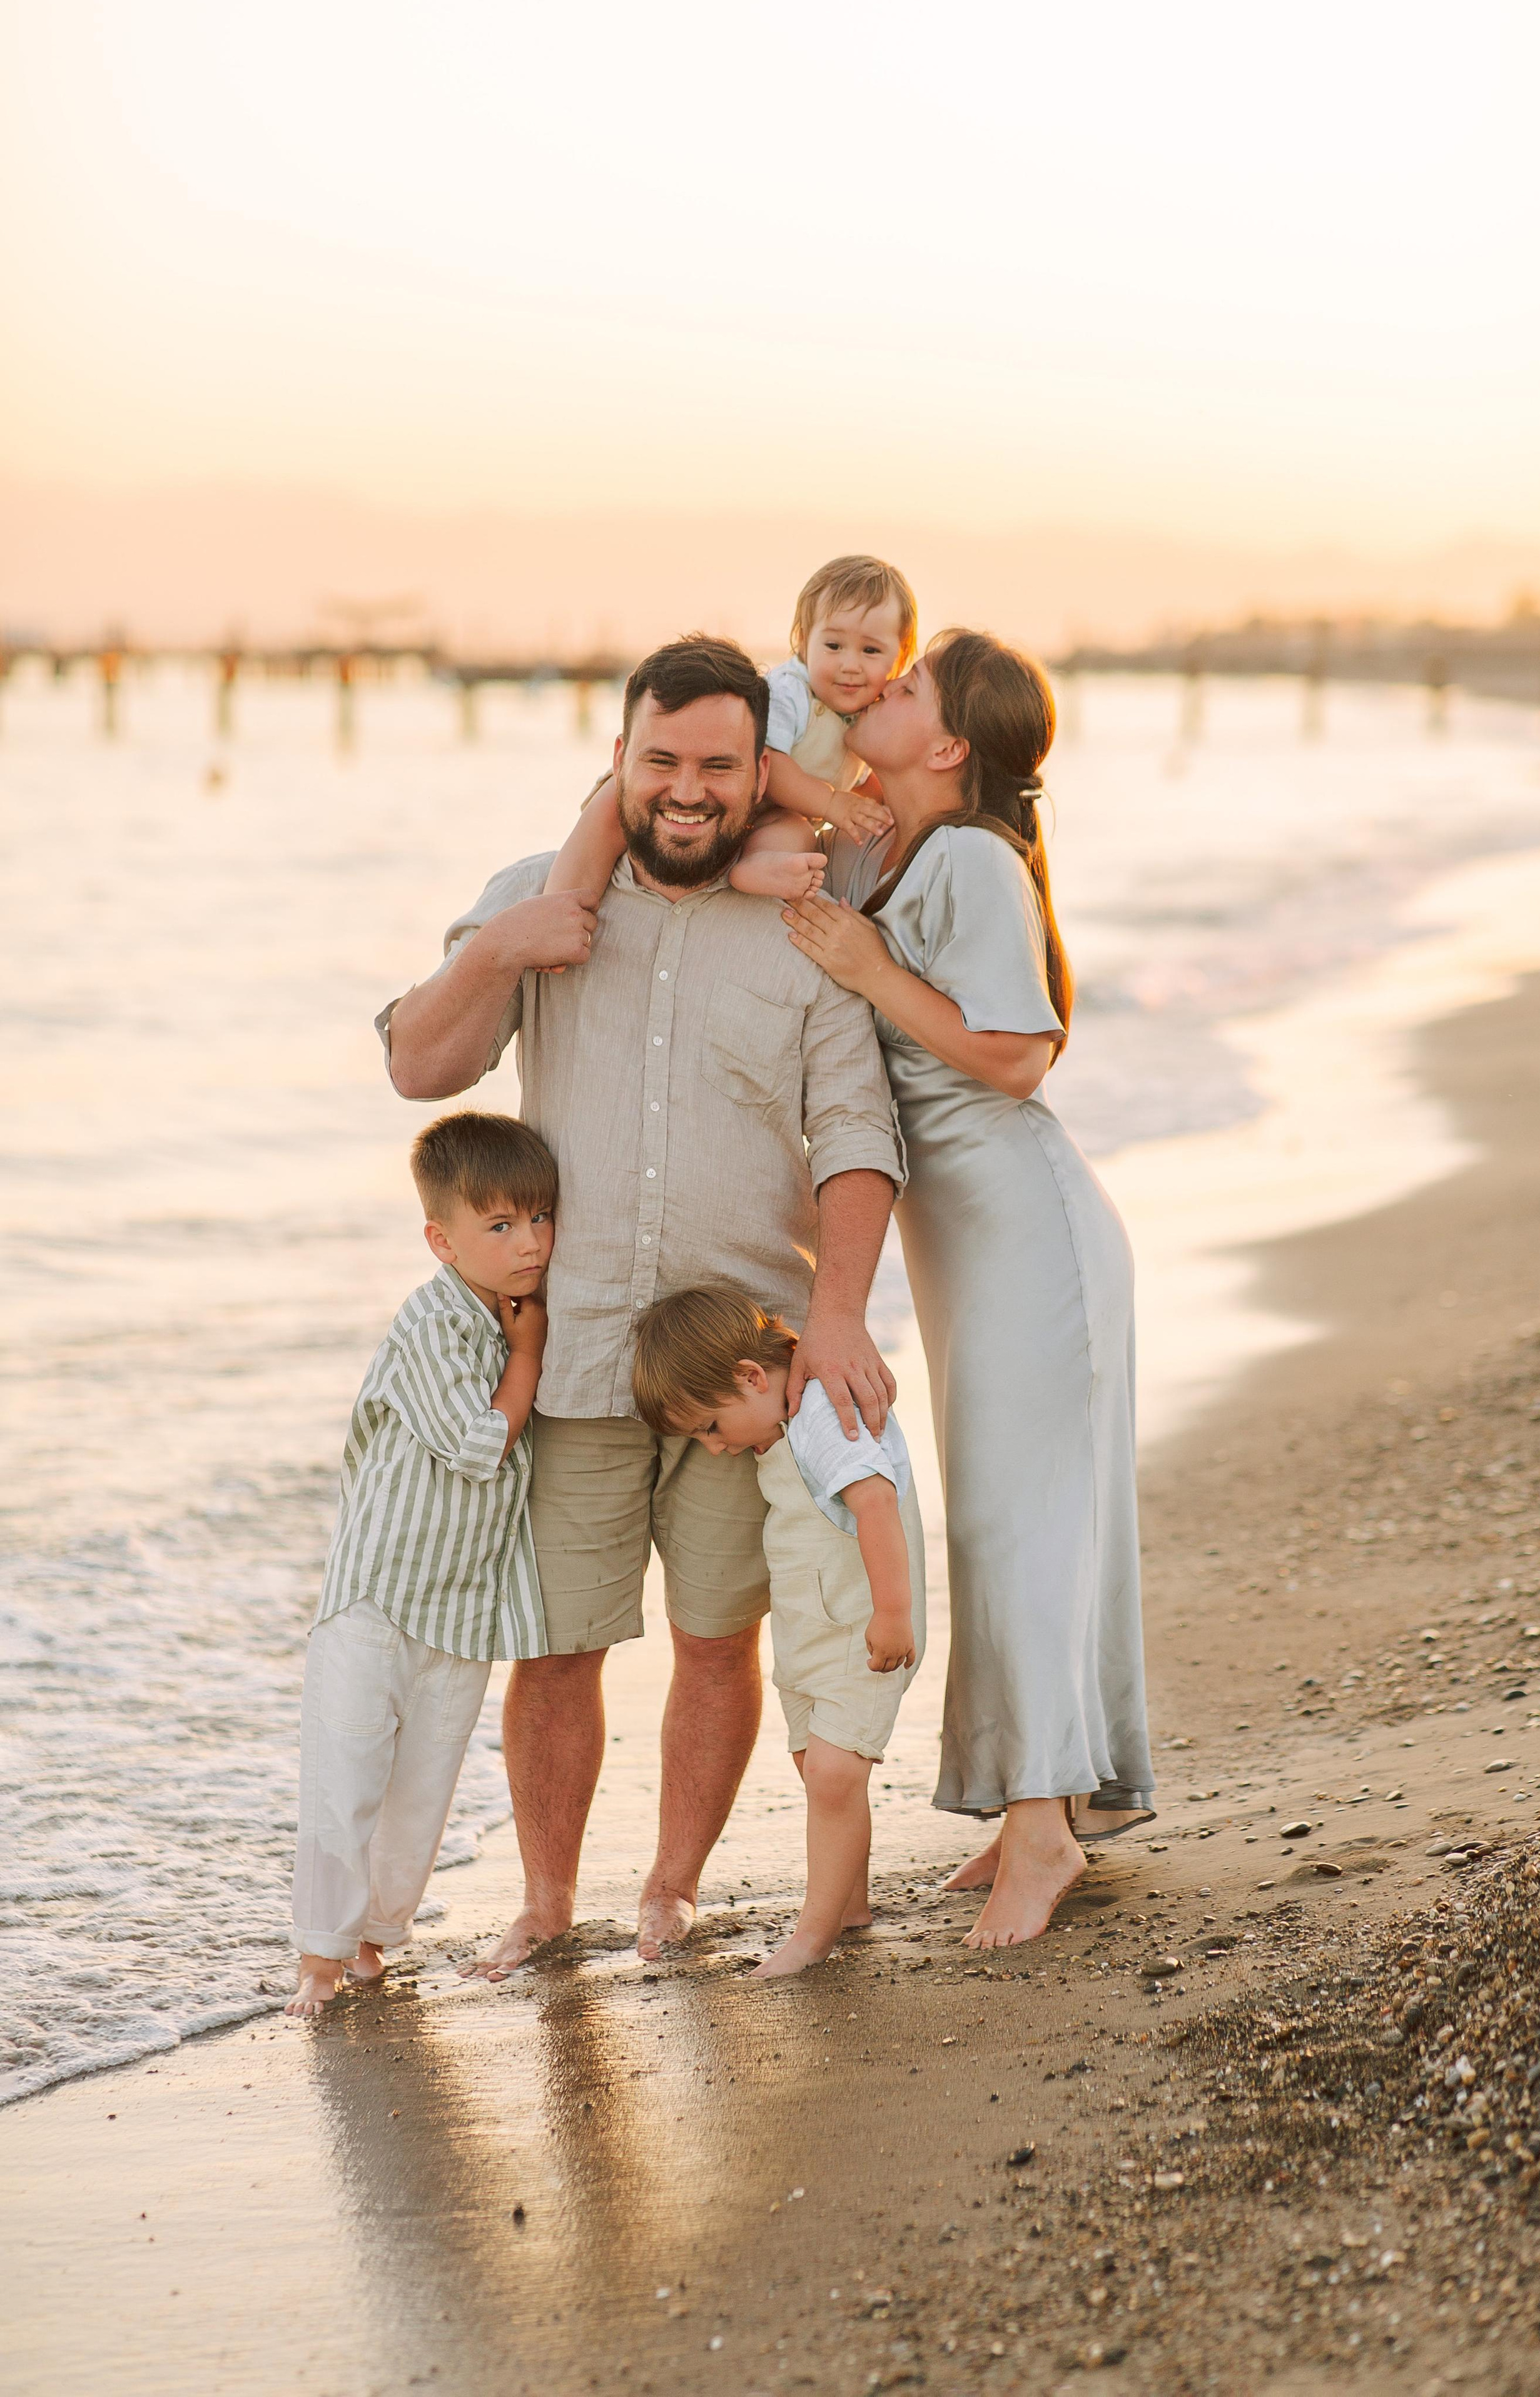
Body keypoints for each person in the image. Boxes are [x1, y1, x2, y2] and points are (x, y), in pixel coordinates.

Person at [380, 633, 904, 1971]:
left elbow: (854, 1136)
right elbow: (417, 1064)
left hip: (738, 1363)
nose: (688, 788)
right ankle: (549, 1903)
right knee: (555, 1648)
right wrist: (504, 947)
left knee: (716, 1637)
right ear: (615, 761)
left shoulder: (806, 917)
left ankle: (668, 1889)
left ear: (756, 772)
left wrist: (837, 1315)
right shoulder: (540, 897)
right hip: (575, 1349)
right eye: (660, 760)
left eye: (718, 766)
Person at [783, 629, 1155, 1951]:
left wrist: (871, 973)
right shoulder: (917, 850)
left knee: (1019, 1524)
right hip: (977, 1237)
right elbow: (786, 749)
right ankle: (1037, 1805)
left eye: (909, 687)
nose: (879, 689)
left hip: (1024, 1231)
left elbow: (1017, 1053)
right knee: (1015, 1514)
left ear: (950, 747)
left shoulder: (976, 861)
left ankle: (1045, 1829)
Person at [287, 1112, 555, 2016]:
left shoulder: (507, 1311)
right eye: (500, 1226)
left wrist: (524, 1343)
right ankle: (317, 1962)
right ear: (442, 1239)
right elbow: (478, 1443)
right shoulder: (434, 1321)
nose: (529, 1244)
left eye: (538, 1220)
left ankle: (372, 1941)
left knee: (421, 1794)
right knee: (347, 1779)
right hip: (378, 1600)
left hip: (462, 1610)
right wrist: (527, 1357)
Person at [632, 1286, 924, 1977]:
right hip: (809, 1635)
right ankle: (847, 1904)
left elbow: (877, 1503)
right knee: (819, 1771)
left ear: (750, 1377)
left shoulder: (822, 1413)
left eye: (709, 1426)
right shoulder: (782, 1420)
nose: (712, 1449)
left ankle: (811, 1937)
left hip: (861, 1630)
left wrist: (892, 1615)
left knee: (831, 1772)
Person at [544, 556, 914, 907]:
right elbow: (774, 769)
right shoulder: (792, 692)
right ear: (803, 642)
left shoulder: (873, 716)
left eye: (870, 651)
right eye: (833, 646)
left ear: (899, 657)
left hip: (766, 815)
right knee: (612, 808)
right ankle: (565, 903)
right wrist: (833, 803)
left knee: (797, 834)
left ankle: (754, 867)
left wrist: (874, 808)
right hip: (718, 784)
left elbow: (874, 778)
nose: (850, 665)